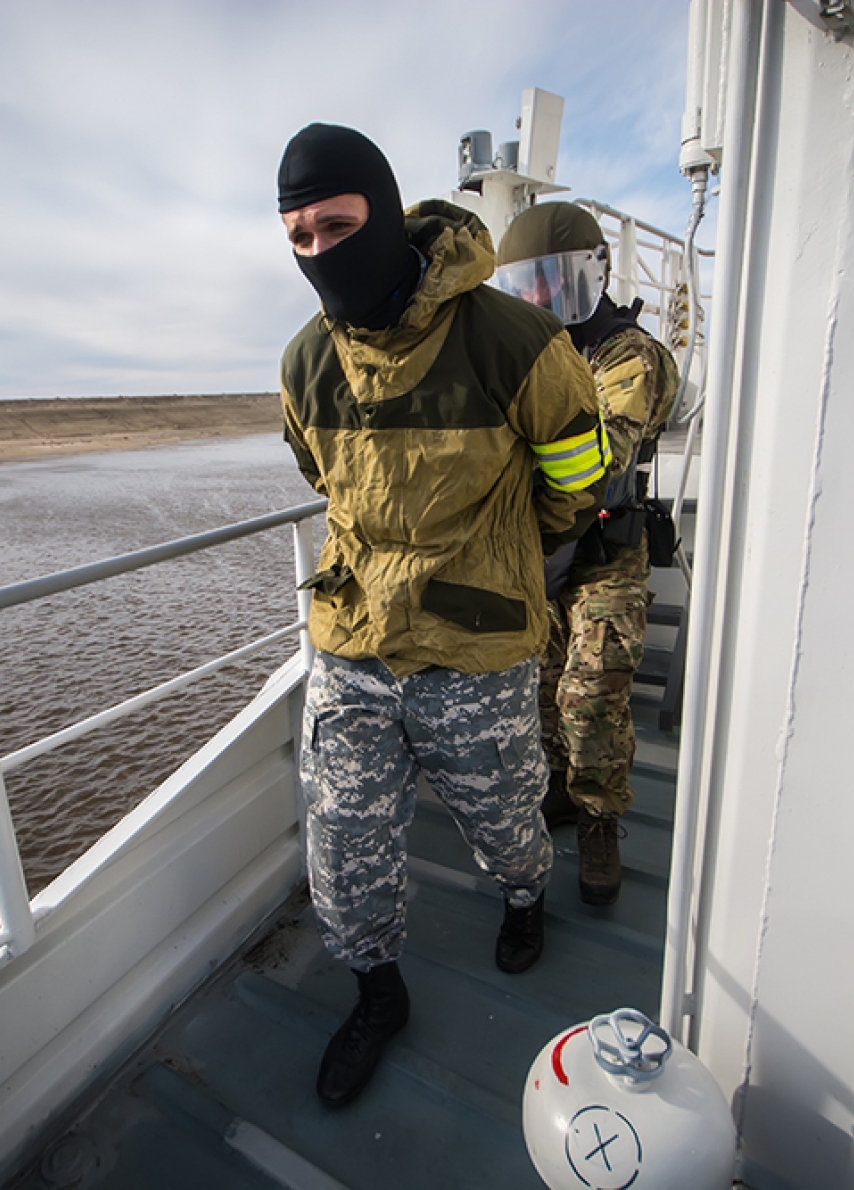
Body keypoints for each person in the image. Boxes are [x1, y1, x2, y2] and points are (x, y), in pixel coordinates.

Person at [276, 124, 608, 1108]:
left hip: (474, 644)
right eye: (295, 236)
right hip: (352, 645)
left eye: (335, 225)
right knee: (340, 840)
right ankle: (377, 991)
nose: (317, 253)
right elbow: (321, 476)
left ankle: (523, 894)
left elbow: (575, 481)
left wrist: (501, 557)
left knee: (504, 816)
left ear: (382, 212)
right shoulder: (305, 364)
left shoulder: (515, 340)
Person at [492, 202, 680, 907]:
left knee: (591, 685)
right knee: (541, 684)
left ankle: (600, 817)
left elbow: (603, 460)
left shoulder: (628, 355)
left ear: (593, 275)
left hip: (603, 550)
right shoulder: (525, 356)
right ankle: (562, 795)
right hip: (543, 551)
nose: (541, 298)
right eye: (527, 285)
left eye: (555, 281)